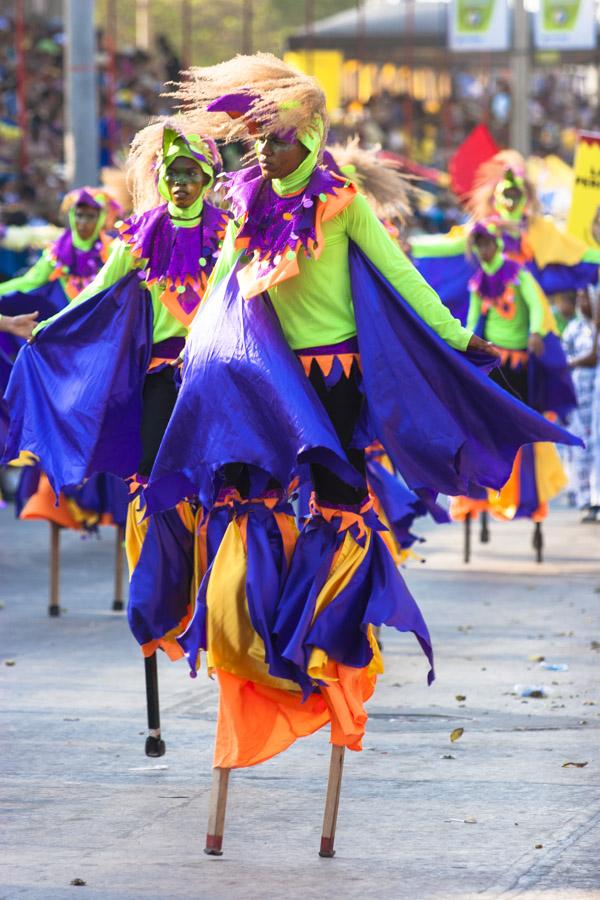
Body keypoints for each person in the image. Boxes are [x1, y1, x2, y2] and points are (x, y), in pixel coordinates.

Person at [137, 54, 579, 781]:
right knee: (246, 501)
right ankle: (254, 641)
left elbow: (402, 276)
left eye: (274, 139)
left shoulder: (342, 205)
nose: (263, 152)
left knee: (340, 508)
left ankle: (332, 641)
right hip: (266, 378)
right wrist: (197, 350)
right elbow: (223, 280)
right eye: (255, 142)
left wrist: (462, 339)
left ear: (309, 137)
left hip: (336, 378)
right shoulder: (244, 202)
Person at [449, 219, 575, 539]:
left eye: (487, 243)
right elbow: (474, 319)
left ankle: (528, 496)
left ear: (497, 244)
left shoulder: (518, 273)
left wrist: (535, 332)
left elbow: (536, 304)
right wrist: (464, 344)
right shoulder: (478, 282)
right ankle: (483, 496)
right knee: (480, 421)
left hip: (519, 364)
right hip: (494, 362)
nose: (483, 249)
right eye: (478, 244)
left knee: (521, 424)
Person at [410, 150, 600, 325]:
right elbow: (451, 246)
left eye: (516, 194)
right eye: (506, 194)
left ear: (526, 196)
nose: (510, 201)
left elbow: (576, 254)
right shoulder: (487, 228)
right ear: (496, 196)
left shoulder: (540, 229)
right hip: (494, 312)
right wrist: (410, 247)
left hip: (526, 318)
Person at [558, 290, 597, 519]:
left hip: (595, 398)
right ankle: (585, 499)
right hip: (578, 399)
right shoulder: (574, 328)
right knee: (581, 448)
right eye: (580, 298)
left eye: (587, 298)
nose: (582, 302)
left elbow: (593, 358)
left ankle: (596, 498)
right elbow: (563, 359)